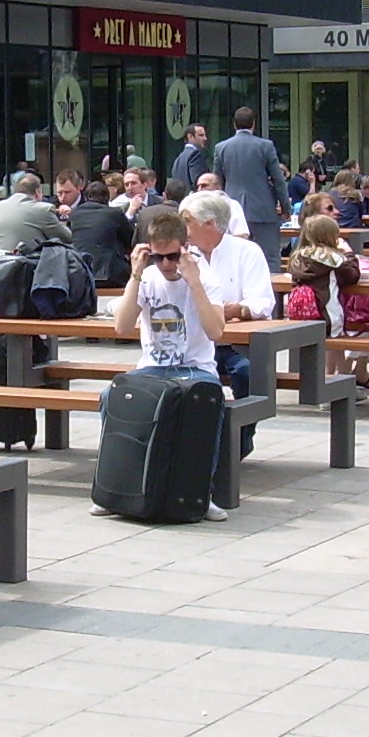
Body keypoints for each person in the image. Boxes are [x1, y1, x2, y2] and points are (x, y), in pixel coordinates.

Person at [106, 209, 229, 521]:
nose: (165, 265)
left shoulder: (205, 277)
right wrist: (135, 274)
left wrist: (195, 284)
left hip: (195, 367)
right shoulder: (146, 278)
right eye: (157, 257)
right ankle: (116, 485)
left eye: (172, 257)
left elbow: (216, 331)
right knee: (111, 397)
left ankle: (204, 491)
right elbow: (121, 327)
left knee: (208, 401)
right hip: (153, 368)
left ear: (184, 249)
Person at [181, 191, 272, 454]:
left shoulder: (247, 252)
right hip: (195, 344)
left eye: (187, 221)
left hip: (233, 345)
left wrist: (237, 309)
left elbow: (263, 302)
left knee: (247, 372)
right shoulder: (184, 256)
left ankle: (240, 441)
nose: (182, 228)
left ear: (209, 223)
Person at [286, 213, 362, 382]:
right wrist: (348, 253)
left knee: (319, 349)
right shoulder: (332, 257)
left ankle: (340, 384)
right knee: (336, 346)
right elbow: (353, 275)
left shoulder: (297, 256)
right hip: (328, 311)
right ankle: (329, 387)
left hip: (304, 312)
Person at [213, 107, 289, 269]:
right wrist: (285, 207)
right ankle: (273, 294)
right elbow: (278, 179)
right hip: (263, 209)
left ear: (234, 125)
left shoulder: (221, 148)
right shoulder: (266, 146)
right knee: (269, 258)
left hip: (231, 210)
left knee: (233, 259)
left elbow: (217, 182)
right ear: (254, 124)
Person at [66, 180, 136, 288]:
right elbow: (130, 240)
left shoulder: (74, 214)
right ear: (106, 197)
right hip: (110, 274)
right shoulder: (114, 213)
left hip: (80, 272)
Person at [0, 173, 70, 253]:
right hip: (20, 264)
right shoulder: (42, 209)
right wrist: (65, 220)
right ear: (37, 191)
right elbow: (66, 238)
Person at [170, 123, 211, 199]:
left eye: (205, 135)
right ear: (190, 136)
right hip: (195, 201)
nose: (205, 138)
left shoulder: (179, 158)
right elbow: (199, 182)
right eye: (201, 135)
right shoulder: (196, 155)